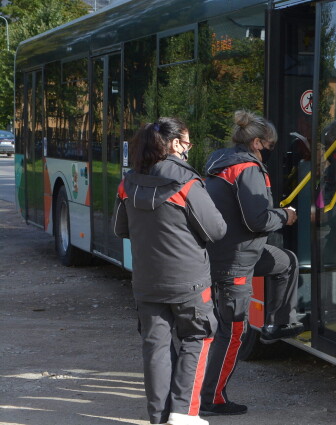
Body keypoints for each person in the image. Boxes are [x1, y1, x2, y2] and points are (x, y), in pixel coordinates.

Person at [112, 118, 227, 425]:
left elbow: (120, 228)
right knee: (198, 337)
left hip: (146, 281)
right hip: (189, 280)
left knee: (155, 346)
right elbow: (216, 230)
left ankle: (159, 417)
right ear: (176, 144)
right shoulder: (187, 182)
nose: (188, 149)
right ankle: (184, 412)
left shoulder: (128, 182)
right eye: (187, 143)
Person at [200, 110, 303, 416]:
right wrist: (286, 215)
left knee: (285, 262)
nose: (270, 152)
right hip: (234, 261)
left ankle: (279, 323)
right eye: (269, 146)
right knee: (232, 331)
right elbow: (257, 219)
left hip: (233, 251)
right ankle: (212, 398)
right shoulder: (249, 169)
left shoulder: (223, 162)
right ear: (257, 143)